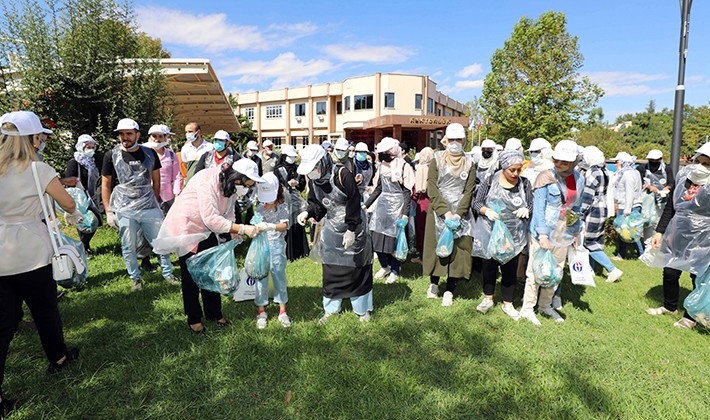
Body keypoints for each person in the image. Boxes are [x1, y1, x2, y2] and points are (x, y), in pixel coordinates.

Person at [0, 111, 82, 414]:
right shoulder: (38, 169)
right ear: (32, 138)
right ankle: (58, 358)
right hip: (32, 254)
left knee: (3, 325)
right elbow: (68, 203)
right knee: (46, 311)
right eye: (40, 136)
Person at [153, 159, 264, 333]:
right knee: (191, 274)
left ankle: (214, 313)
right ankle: (194, 318)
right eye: (247, 184)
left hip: (207, 230)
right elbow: (211, 218)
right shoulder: (207, 180)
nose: (247, 188)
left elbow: (228, 210)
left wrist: (233, 231)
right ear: (238, 177)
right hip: (188, 227)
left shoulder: (230, 185)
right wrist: (243, 228)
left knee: (212, 270)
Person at [296, 144, 374, 323]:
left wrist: (351, 229)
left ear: (323, 162)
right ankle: (331, 309)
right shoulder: (313, 180)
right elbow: (317, 204)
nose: (312, 173)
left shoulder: (341, 174)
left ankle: (362, 310)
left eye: (314, 168)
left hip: (354, 227)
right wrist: (307, 213)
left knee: (357, 270)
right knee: (332, 270)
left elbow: (354, 200)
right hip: (332, 229)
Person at [101, 118, 179, 291]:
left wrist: (155, 201)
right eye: (121, 134)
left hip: (148, 206)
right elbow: (105, 184)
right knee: (128, 245)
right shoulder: (111, 155)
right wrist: (108, 211)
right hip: (124, 208)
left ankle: (168, 273)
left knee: (160, 242)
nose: (124, 137)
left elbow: (156, 180)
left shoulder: (149, 153)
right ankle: (135, 279)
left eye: (128, 133)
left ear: (138, 134)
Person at [645, 143, 710, 329]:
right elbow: (671, 207)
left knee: (698, 275)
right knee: (670, 271)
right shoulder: (684, 178)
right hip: (679, 232)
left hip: (705, 238)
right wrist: (660, 231)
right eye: (698, 161)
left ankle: (691, 317)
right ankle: (670, 306)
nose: (700, 166)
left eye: (707, 164)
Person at [520, 140, 584, 326]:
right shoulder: (545, 177)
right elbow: (539, 208)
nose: (559, 165)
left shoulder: (579, 179)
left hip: (564, 231)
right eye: (557, 160)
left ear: (574, 162)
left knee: (555, 270)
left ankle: (545, 305)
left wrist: (575, 232)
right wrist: (542, 235)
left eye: (565, 162)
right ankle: (527, 308)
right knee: (535, 270)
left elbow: (576, 207)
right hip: (544, 230)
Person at [472, 150, 532, 320]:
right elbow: (476, 202)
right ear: (504, 167)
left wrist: (527, 209)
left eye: (518, 170)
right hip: (490, 231)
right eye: (511, 170)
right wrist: (486, 210)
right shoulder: (490, 180)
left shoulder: (525, 184)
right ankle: (488, 298)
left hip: (513, 234)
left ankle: (508, 303)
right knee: (489, 266)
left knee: (509, 268)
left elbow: (531, 204)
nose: (515, 174)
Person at [423, 123, 477, 306]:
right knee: (436, 248)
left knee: (457, 251)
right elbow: (432, 186)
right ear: (445, 140)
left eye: (458, 140)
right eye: (452, 139)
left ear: (464, 140)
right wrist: (445, 212)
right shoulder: (437, 159)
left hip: (460, 213)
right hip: (439, 211)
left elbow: (469, 191)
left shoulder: (470, 163)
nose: (455, 143)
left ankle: (450, 289)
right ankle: (434, 284)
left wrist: (458, 214)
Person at [363, 137, 415, 284]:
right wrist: (366, 205)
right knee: (377, 240)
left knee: (394, 241)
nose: (383, 155)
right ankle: (384, 266)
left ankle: (394, 269)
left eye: (386, 152)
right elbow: (378, 188)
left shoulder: (404, 167)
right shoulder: (381, 167)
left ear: (394, 151)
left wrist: (405, 213)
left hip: (397, 207)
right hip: (382, 207)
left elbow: (407, 192)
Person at [253, 172, 292, 329]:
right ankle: (261, 310)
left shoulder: (281, 207)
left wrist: (270, 226)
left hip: (277, 245)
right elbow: (254, 225)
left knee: (279, 275)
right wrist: (256, 228)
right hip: (261, 246)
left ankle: (282, 311)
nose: (266, 203)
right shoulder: (259, 208)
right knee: (261, 277)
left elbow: (285, 225)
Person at [579, 146, 623, 282]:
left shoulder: (592, 172)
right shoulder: (604, 171)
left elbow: (588, 195)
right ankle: (590, 270)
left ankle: (612, 269)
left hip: (593, 210)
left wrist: (581, 214)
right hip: (602, 208)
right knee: (596, 240)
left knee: (589, 242)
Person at [64, 134, 103, 254]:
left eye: (92, 147)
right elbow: (69, 180)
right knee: (84, 220)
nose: (91, 150)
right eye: (88, 147)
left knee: (95, 219)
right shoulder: (74, 162)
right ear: (81, 147)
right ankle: (84, 246)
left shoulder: (96, 161)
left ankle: (84, 244)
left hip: (94, 194)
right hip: (81, 196)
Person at [273, 145, 309, 261]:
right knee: (285, 223)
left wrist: (297, 184)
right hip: (283, 200)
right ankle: (287, 252)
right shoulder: (278, 169)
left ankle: (299, 252)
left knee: (297, 224)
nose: (292, 159)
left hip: (295, 201)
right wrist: (287, 184)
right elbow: (275, 185)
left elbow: (302, 185)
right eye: (289, 156)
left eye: (293, 156)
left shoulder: (298, 168)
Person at [144, 125, 183, 215]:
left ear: (165, 138)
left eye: (160, 136)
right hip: (148, 196)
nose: (157, 139)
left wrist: (177, 194)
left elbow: (177, 176)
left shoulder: (172, 155)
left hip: (167, 197)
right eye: (154, 136)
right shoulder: (145, 154)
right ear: (149, 137)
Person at [612, 151, 644, 259]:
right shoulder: (634, 172)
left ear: (622, 162)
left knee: (627, 231)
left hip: (628, 206)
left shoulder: (627, 174)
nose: (615, 164)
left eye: (616, 162)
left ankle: (638, 254)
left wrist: (627, 209)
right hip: (633, 204)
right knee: (630, 231)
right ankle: (629, 254)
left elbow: (629, 191)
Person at [638, 149, 674, 239]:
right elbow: (638, 181)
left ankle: (657, 241)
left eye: (656, 160)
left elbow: (671, 182)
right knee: (648, 221)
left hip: (662, 200)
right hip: (647, 201)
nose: (654, 162)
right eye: (652, 160)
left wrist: (667, 188)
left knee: (658, 222)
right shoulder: (642, 168)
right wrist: (649, 187)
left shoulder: (666, 168)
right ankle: (647, 242)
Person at [412, 147, 434, 264]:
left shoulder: (421, 169)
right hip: (434, 202)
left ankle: (422, 256)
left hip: (423, 202)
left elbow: (416, 190)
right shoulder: (436, 168)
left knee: (421, 230)